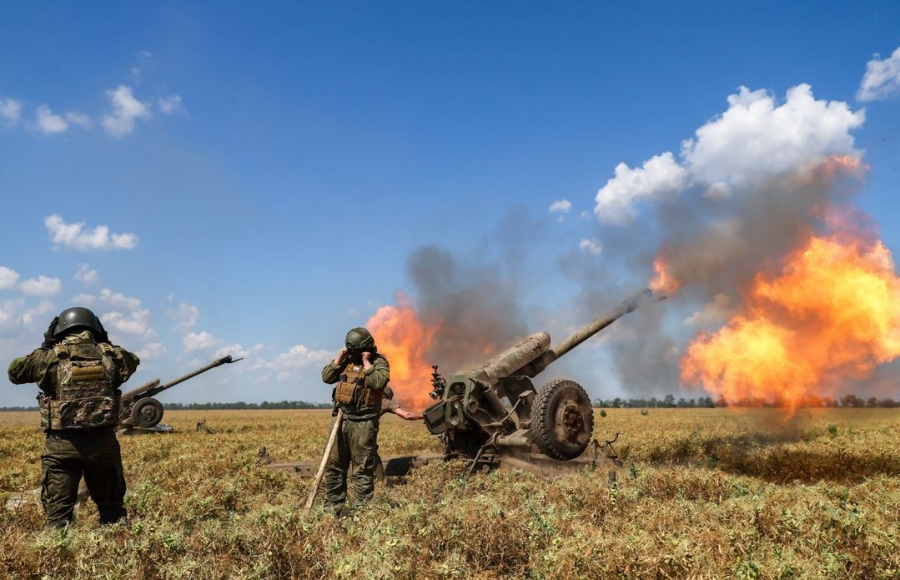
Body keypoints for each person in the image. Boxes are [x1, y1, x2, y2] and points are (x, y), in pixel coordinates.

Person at [7, 307, 140, 530]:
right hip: (102, 446)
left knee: (57, 519)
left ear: (59, 330)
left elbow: (15, 372)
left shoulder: (48, 358)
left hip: (61, 447)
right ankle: (118, 554)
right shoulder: (113, 356)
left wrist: (46, 345)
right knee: (113, 514)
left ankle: (58, 558)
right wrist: (103, 342)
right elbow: (132, 362)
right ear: (95, 328)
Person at [320, 327, 390, 515]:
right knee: (334, 466)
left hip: (363, 422)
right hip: (340, 419)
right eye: (351, 350)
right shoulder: (346, 361)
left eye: (356, 351)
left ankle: (362, 512)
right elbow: (327, 377)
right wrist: (339, 359)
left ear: (366, 348)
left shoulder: (379, 362)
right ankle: (332, 510)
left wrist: (367, 362)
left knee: (361, 468)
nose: (354, 354)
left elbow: (378, 382)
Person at [373, 385, 424, 483]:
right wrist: (424, 416)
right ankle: (381, 482)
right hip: (367, 431)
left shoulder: (368, 399)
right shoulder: (386, 402)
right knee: (372, 454)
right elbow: (407, 415)